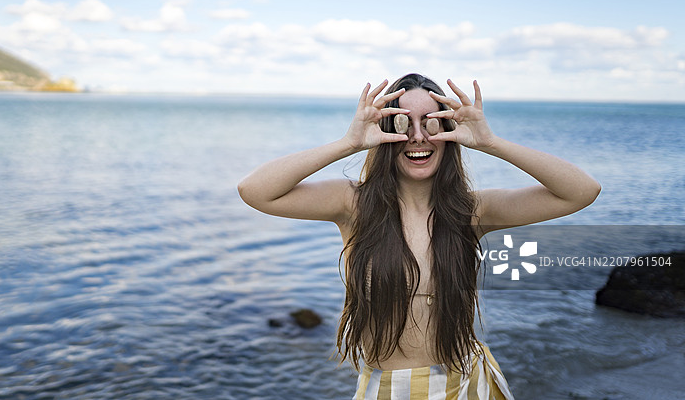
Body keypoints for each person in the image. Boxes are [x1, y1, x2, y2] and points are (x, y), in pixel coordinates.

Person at [237, 74, 600, 400]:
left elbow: (580, 191)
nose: (417, 136)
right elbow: (256, 191)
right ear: (384, 130)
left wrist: (490, 142)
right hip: (391, 389)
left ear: (449, 131)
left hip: (469, 381)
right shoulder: (352, 204)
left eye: (432, 122)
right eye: (400, 122)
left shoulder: (470, 212)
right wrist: (349, 143)